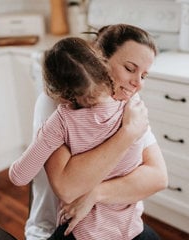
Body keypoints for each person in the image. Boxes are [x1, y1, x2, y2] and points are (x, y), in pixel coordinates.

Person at [26, 24, 168, 239]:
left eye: (144, 75)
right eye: (130, 69)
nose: (138, 83)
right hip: (59, 227)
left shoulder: (128, 104)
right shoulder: (57, 103)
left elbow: (158, 177)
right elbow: (68, 188)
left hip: (115, 226)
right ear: (99, 60)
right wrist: (128, 133)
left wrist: (95, 194)